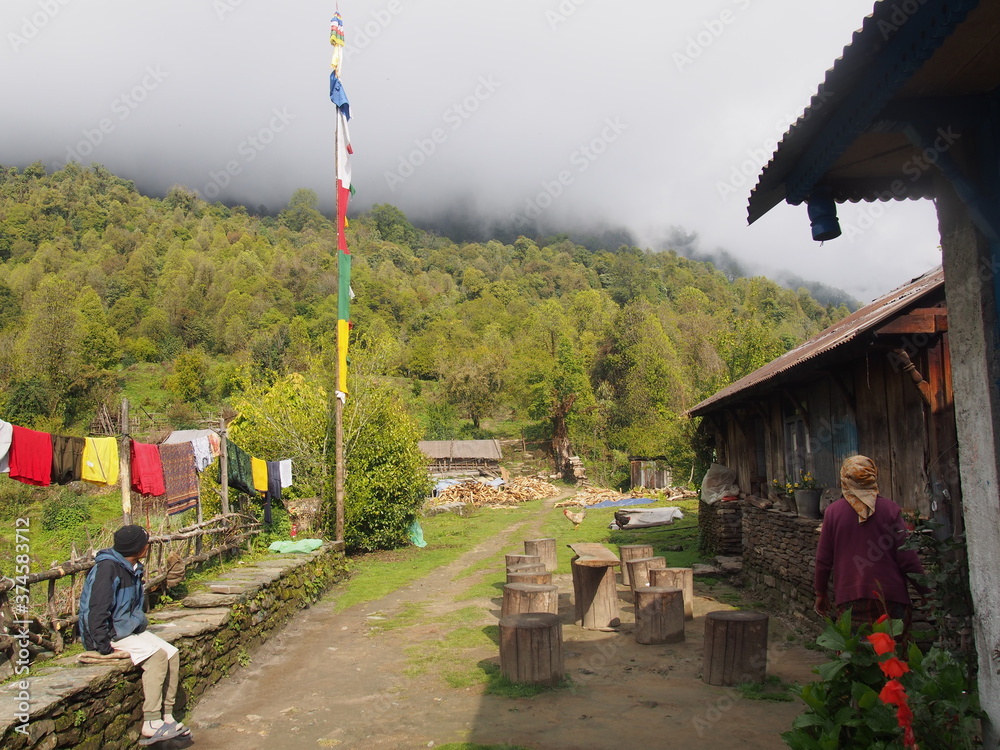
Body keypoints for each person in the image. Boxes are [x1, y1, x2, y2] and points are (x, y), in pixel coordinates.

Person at [79, 525, 191, 745]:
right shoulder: (107, 569)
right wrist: (103, 645)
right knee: (157, 657)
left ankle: (167, 715)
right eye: (145, 543)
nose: (148, 546)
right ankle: (151, 721)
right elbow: (96, 609)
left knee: (171, 653)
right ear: (137, 547)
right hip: (110, 634)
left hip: (127, 629)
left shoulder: (130, 567)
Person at [814, 455, 930, 639]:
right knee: (891, 658)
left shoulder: (833, 513)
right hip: (890, 598)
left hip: (850, 598)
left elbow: (823, 560)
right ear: (872, 476)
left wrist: (821, 593)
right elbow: (908, 558)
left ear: (844, 478)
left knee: (856, 659)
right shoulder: (890, 510)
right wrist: (925, 593)